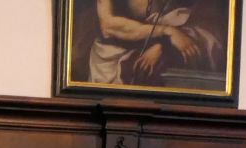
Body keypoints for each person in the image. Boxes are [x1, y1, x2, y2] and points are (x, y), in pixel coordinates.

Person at [87, 0, 223, 86]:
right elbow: (108, 25)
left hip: (164, 53)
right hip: (110, 61)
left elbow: (204, 29)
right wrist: (166, 31)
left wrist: (164, 46)